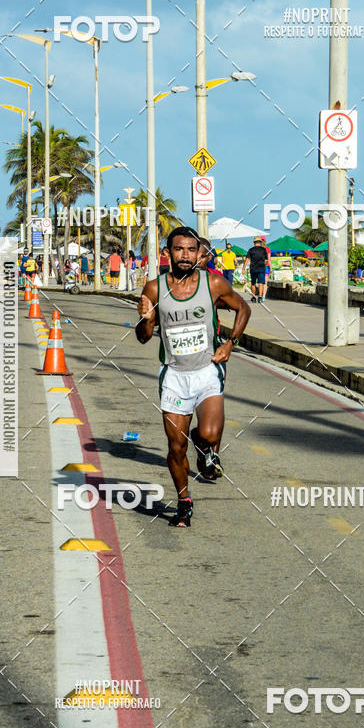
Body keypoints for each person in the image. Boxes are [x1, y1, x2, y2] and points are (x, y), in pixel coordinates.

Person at [136, 226, 251, 528]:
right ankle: (184, 500)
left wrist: (230, 343)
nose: (185, 256)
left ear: (199, 253)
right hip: (174, 375)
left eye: (191, 250)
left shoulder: (213, 283)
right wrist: (147, 321)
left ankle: (205, 450)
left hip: (206, 371)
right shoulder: (154, 289)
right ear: (168, 252)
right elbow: (143, 337)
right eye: (179, 249)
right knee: (176, 447)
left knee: (211, 435)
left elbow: (243, 308)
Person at [244, 236, 270, 303]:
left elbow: (247, 259)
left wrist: (243, 268)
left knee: (253, 283)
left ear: (254, 243)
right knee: (260, 283)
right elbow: (266, 260)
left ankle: (253, 297)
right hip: (261, 268)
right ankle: (260, 298)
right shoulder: (264, 250)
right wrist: (263, 264)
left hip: (253, 269)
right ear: (260, 242)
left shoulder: (251, 250)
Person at [260, 236, 272, 300]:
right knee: (265, 282)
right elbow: (269, 260)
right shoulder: (267, 249)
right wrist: (271, 268)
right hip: (266, 267)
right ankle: (263, 296)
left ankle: (260, 295)